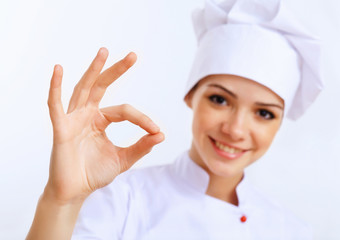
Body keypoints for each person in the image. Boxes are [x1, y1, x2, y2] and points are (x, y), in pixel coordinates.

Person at [26, 0, 323, 239]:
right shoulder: (123, 200)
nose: (235, 129)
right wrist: (60, 201)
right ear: (191, 94)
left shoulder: (291, 231)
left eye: (264, 113)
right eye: (220, 99)